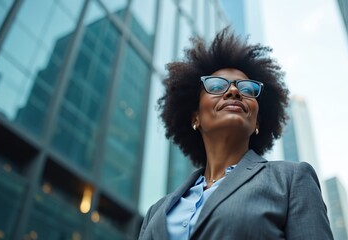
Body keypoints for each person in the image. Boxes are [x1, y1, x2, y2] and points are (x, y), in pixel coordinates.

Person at [138, 28, 333, 240]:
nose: (234, 91)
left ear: (257, 120)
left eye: (248, 90)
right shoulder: (155, 213)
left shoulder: (291, 180)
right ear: (196, 117)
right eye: (216, 86)